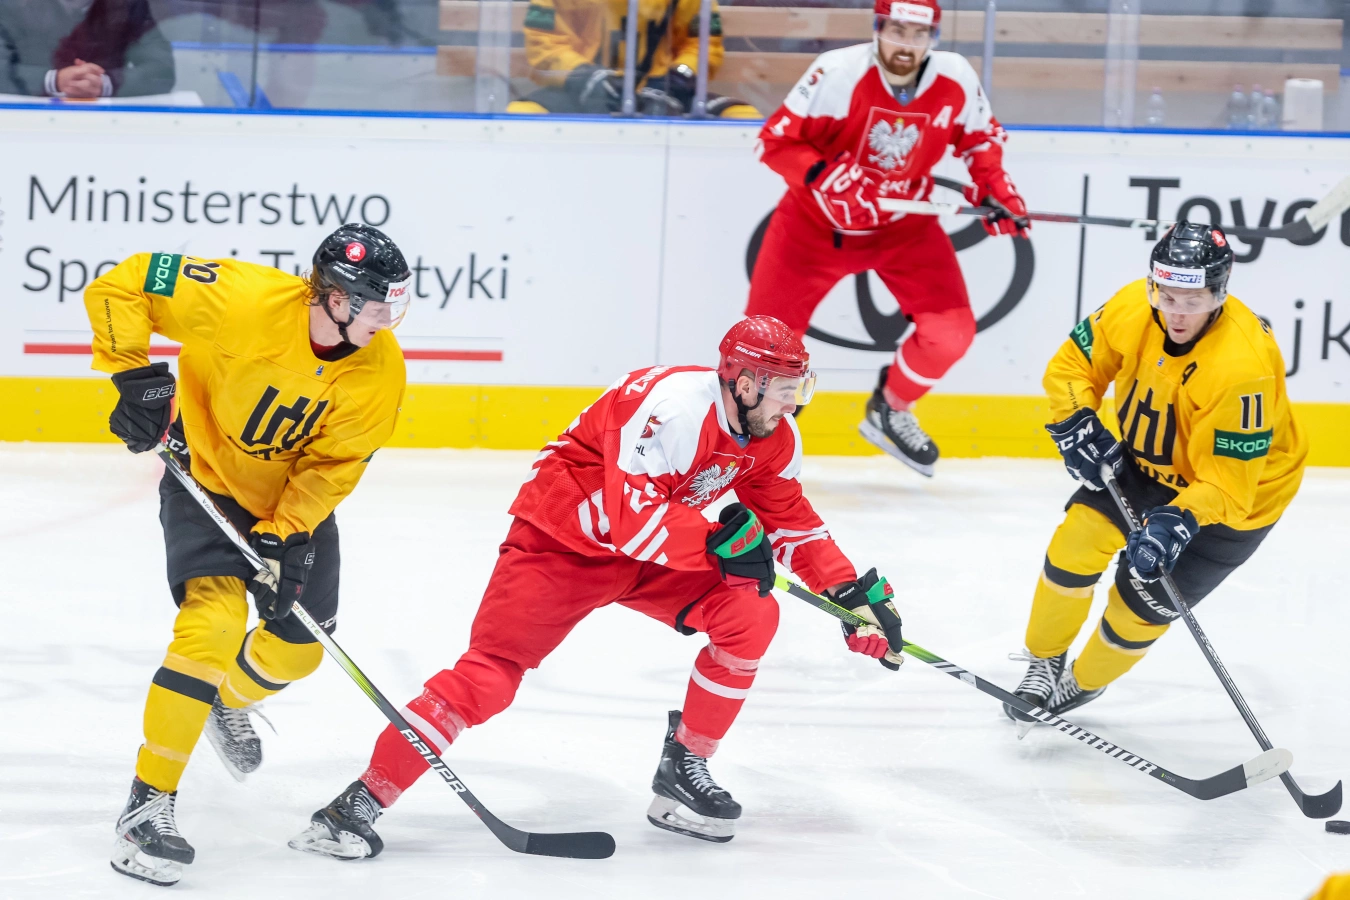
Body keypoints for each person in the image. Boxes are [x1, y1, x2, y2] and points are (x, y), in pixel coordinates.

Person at [288, 316, 904, 856]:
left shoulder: (773, 435)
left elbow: (790, 519)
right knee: (489, 678)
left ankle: (684, 767)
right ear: (744, 384)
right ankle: (359, 802)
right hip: (562, 543)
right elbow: (632, 520)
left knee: (752, 614)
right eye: (786, 389)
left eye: (800, 388)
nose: (793, 404)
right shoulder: (672, 407)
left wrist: (849, 595)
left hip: (653, 551)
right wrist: (721, 546)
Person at [84, 224, 412, 887]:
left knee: (297, 651)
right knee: (211, 628)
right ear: (337, 298)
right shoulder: (242, 299)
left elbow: (333, 466)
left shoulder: (382, 373)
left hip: (286, 505)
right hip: (204, 476)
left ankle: (221, 699)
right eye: (377, 304)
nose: (387, 319)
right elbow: (124, 282)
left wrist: (287, 530)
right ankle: (147, 807)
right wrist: (134, 376)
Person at [1005, 222, 1306, 725]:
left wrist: (1180, 519)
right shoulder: (1132, 306)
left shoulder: (1242, 367)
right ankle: (1043, 662)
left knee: (1140, 607)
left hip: (1236, 501)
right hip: (1148, 463)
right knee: (1075, 544)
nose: (1176, 313)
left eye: (1192, 300)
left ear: (1219, 294)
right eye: (1166, 296)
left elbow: (1229, 485)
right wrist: (1076, 418)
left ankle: (1083, 682)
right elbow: (1073, 367)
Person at [748, 0, 1029, 476]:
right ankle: (760, 436)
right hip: (813, 228)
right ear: (878, 28)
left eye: (919, 35)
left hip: (904, 229)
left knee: (951, 333)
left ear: (933, 37)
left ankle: (892, 407)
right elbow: (773, 143)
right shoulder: (838, 73)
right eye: (897, 30)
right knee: (764, 346)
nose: (907, 44)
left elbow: (980, 139)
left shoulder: (954, 77)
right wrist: (826, 175)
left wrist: (996, 188)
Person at [506, 0, 758, 118]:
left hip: (664, 90)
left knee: (744, 117)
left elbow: (702, 42)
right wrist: (585, 77)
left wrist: (680, 76)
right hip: (581, 90)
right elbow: (544, 41)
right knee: (522, 115)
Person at [0, 0, 174, 98]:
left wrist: (106, 83)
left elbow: (161, 70)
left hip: (109, 122)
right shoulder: (10, 5)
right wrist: (54, 80)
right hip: (28, 120)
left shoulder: (128, 5)